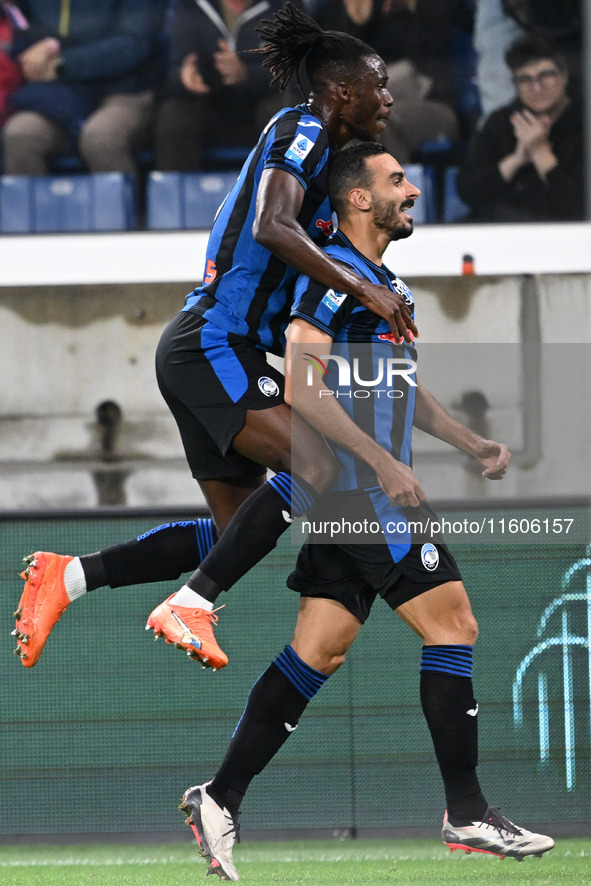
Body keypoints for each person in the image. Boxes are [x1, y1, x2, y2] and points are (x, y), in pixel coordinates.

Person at [177, 142, 555, 881]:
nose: (411, 190)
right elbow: (303, 393)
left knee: (318, 651)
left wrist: (468, 440)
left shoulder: (384, 284)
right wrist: (382, 463)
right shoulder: (329, 282)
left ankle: (220, 796)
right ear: (357, 199)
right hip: (362, 492)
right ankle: (467, 811)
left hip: (362, 490)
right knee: (454, 624)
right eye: (396, 181)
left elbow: (399, 391)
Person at [14, 4, 418, 669]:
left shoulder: (329, 157)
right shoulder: (304, 126)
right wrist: (363, 290)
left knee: (237, 534)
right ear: (344, 88)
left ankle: (71, 577)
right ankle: (190, 604)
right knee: (317, 467)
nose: (389, 95)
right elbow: (268, 225)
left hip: (206, 348)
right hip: (212, 342)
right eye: (379, 83)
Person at [1, 0, 167, 176]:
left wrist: (64, 63)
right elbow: (17, 27)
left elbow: (135, 43)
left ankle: (126, 204)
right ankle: (39, 204)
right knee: (20, 135)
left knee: (101, 139)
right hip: (59, 95)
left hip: (127, 91)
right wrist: (33, 52)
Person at [154, 0, 298, 171]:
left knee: (288, 116)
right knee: (175, 117)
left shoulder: (284, 5)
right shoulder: (190, 5)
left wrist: (247, 74)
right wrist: (185, 77)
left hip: (262, 104)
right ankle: (176, 196)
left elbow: (297, 70)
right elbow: (173, 68)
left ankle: (287, 193)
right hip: (209, 105)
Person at [456, 35, 584, 222]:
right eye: (525, 79)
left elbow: (577, 206)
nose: (536, 87)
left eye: (545, 76)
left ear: (563, 76)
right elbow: (468, 191)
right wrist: (516, 160)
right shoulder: (501, 121)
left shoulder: (583, 122)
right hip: (504, 231)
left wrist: (540, 152)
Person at [315, 0, 459, 164]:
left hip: (430, 101)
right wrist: (356, 22)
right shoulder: (338, 9)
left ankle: (393, 187)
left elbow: (432, 45)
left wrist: (398, 13)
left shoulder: (420, 7)